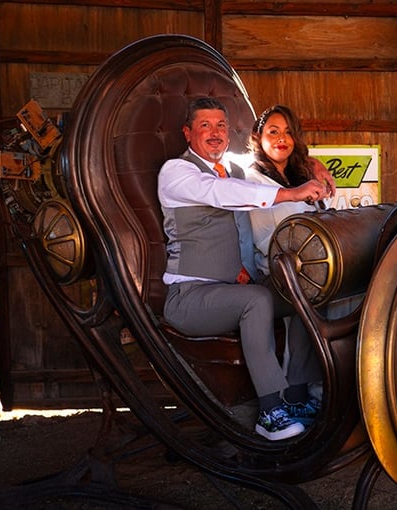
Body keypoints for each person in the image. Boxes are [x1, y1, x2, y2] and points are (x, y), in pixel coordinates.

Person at [157, 97, 330, 441]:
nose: (215, 132)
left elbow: (270, 158)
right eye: (204, 125)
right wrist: (292, 194)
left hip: (231, 291)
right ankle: (270, 412)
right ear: (187, 132)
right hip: (189, 296)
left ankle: (295, 395)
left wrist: (314, 165)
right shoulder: (176, 172)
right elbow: (223, 193)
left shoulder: (232, 168)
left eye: (221, 125)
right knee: (256, 300)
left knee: (307, 291)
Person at [246, 104, 328, 276]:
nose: (282, 138)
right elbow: (265, 242)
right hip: (282, 274)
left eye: (288, 132)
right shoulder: (251, 180)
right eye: (274, 132)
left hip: (321, 262)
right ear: (258, 136)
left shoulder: (305, 174)